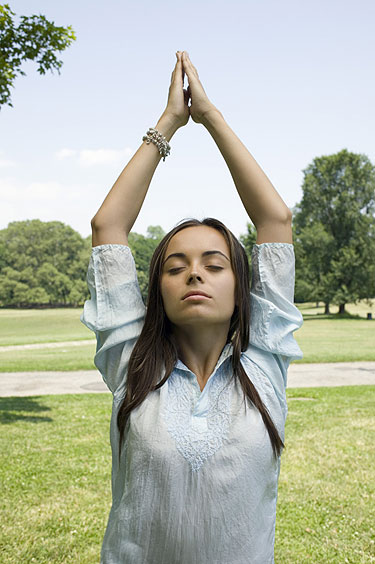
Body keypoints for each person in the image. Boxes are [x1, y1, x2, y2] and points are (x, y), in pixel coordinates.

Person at [81, 50, 303, 564]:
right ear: (156, 289)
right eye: (175, 266)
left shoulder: (265, 360)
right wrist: (167, 125)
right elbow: (107, 229)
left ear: (241, 288)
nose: (194, 273)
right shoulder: (131, 363)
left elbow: (276, 221)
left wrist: (210, 118)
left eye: (214, 264)